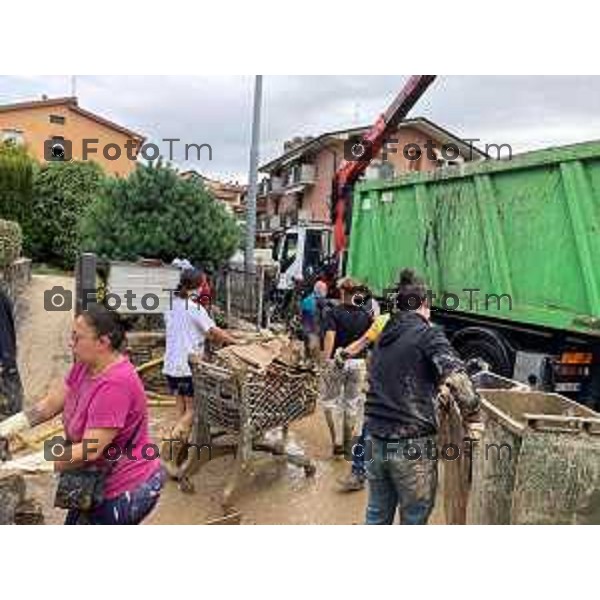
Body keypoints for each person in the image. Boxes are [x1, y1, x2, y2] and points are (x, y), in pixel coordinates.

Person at [0, 303, 164, 525]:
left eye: (77, 338)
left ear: (103, 343)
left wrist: (21, 465)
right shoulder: (85, 366)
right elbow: (49, 405)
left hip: (126, 484)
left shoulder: (116, 384)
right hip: (95, 476)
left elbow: (89, 450)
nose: (71, 343)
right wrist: (5, 428)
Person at [363, 268, 482, 525]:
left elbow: (401, 376)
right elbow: (459, 380)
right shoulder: (427, 333)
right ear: (424, 305)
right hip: (411, 445)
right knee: (414, 520)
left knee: (376, 516)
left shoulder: (385, 337)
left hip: (374, 438)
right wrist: (474, 412)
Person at [163, 268, 235, 440]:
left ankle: (182, 448)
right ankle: (170, 447)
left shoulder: (171, 306)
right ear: (197, 286)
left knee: (181, 411)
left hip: (171, 367)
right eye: (203, 284)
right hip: (188, 368)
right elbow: (214, 331)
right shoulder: (194, 308)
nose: (205, 288)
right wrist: (236, 342)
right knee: (193, 410)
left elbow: (187, 330)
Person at [336, 310, 390, 491]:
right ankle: (359, 471)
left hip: (389, 389)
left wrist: (343, 354)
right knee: (368, 430)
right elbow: (363, 343)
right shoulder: (384, 321)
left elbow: (361, 344)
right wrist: (344, 354)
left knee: (370, 431)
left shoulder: (384, 320)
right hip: (385, 389)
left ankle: (360, 472)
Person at [321, 277, 373, 456]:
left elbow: (330, 337)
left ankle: (336, 443)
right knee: (352, 404)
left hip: (338, 360)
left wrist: (326, 362)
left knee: (330, 402)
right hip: (359, 363)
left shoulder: (334, 313)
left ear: (342, 292)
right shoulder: (367, 316)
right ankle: (348, 445)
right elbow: (369, 343)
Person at [0, 286, 24, 415]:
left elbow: (4, 333)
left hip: (5, 363)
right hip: (6, 360)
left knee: (11, 411)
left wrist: (6, 361)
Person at [300, 280, 328, 359]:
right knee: (315, 352)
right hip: (316, 330)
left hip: (306, 329)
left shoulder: (306, 300)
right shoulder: (320, 302)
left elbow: (301, 315)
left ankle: (307, 360)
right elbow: (322, 317)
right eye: (325, 290)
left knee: (307, 348)